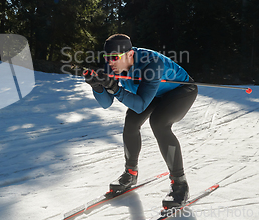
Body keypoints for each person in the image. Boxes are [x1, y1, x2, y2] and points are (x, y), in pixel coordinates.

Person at [84, 34, 198, 209]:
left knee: (159, 123)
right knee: (131, 124)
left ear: (130, 54)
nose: (110, 62)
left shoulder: (152, 63)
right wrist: (98, 87)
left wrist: (114, 88)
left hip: (180, 90)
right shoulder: (111, 65)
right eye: (107, 58)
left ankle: (180, 184)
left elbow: (140, 105)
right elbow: (106, 104)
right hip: (151, 93)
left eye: (114, 58)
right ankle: (130, 173)